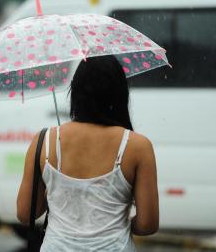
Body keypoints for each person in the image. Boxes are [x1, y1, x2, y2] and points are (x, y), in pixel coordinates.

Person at [17, 55, 159, 252]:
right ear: (119, 94)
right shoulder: (137, 147)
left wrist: (55, 194)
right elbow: (148, 224)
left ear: (75, 92)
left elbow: (26, 214)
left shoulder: (44, 141)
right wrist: (122, 225)